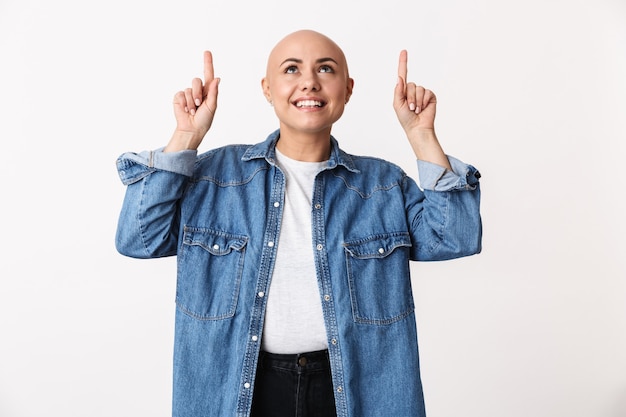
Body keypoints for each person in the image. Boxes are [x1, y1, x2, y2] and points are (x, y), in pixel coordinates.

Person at [115, 29, 482, 417]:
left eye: (326, 68)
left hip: (355, 392)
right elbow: (139, 239)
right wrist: (185, 137)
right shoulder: (214, 178)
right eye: (291, 69)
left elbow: (455, 238)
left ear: (348, 88)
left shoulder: (383, 186)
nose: (309, 81)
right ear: (268, 89)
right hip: (240, 390)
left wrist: (422, 136)